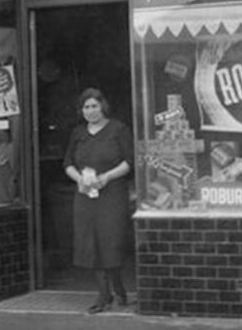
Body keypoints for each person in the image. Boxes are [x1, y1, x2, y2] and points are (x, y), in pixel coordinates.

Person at [63, 88, 134, 314]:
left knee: (111, 240)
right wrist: (80, 180)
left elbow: (130, 162)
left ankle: (119, 287)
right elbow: (67, 163)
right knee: (90, 242)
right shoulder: (78, 133)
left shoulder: (118, 129)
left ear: (103, 106)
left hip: (112, 192)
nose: (91, 111)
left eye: (94, 106)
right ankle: (105, 295)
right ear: (81, 110)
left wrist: (106, 177)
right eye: (86, 107)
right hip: (85, 195)